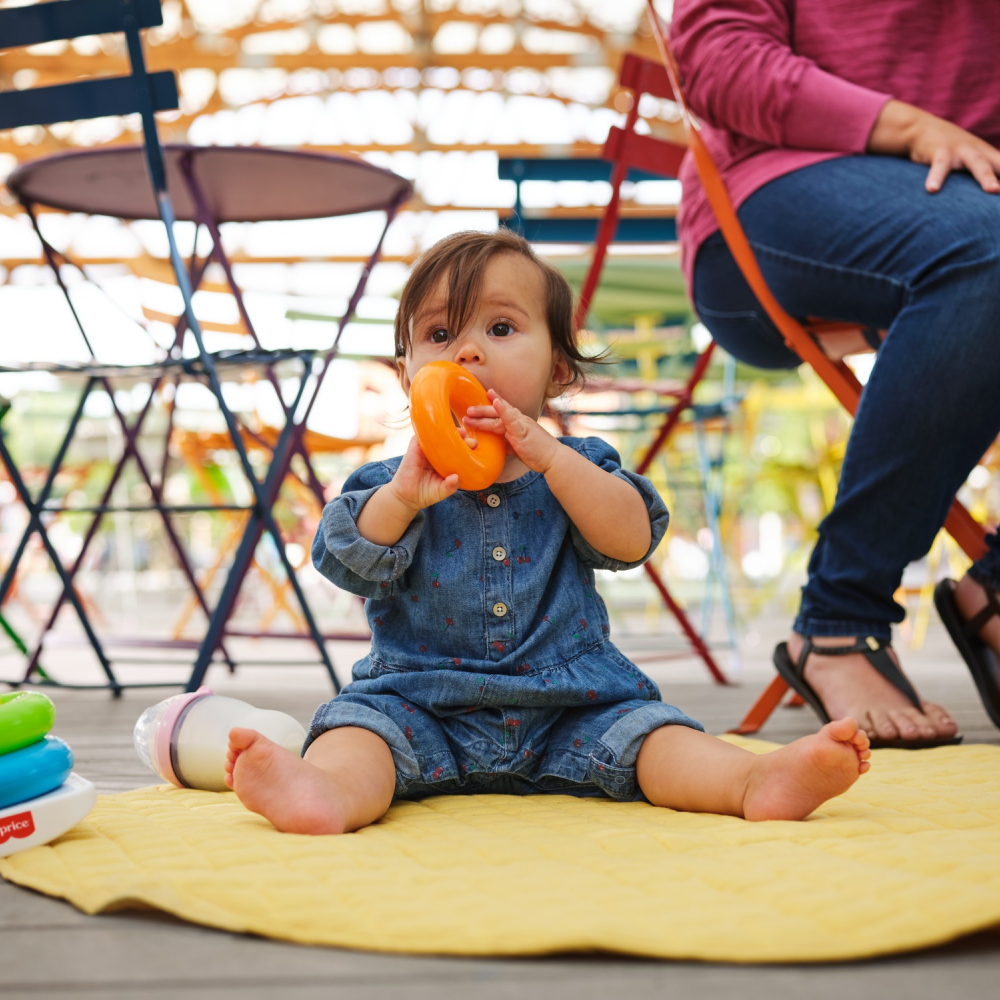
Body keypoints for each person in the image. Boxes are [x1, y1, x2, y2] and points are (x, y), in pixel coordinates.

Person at [222, 229, 870, 835]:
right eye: (441, 333)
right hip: (419, 704)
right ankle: (325, 794)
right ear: (408, 374)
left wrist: (553, 459)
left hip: (575, 707)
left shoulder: (578, 466)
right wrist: (399, 499)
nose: (468, 351)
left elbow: (632, 538)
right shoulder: (394, 480)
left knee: (654, 737)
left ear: (558, 369)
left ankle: (752, 781)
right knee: (357, 732)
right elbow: (343, 560)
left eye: (500, 327)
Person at [672, 0, 1000, 747]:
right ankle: (839, 623)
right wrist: (913, 126)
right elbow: (720, 64)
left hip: (967, 191)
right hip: (770, 194)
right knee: (990, 254)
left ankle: (995, 586)